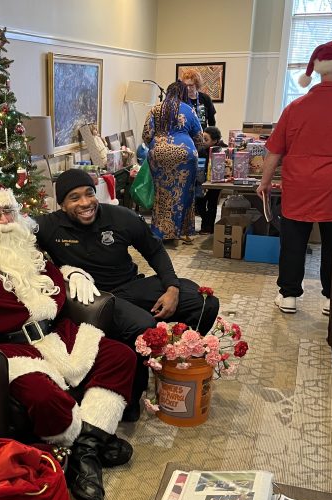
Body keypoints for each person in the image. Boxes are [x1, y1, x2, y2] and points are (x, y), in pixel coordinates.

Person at [0, 176, 136, 500]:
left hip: (54, 334)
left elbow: (52, 270)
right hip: (9, 348)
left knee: (121, 355)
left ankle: (84, 451)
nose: (3, 221)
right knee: (42, 395)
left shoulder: (26, 247)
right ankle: (87, 447)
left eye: (8, 211)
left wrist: (72, 272)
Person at [34, 168, 219, 420]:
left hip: (130, 285)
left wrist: (172, 288)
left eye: (89, 193)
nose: (85, 202)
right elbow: (10, 233)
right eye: (74, 198)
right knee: (144, 324)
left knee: (203, 301)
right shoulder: (49, 226)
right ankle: (131, 398)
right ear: (62, 204)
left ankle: (176, 363)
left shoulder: (120, 217)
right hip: (94, 299)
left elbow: (154, 250)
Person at [257, 37, 332, 316]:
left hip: (299, 187)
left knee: (293, 242)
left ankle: (288, 295)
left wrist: (264, 183)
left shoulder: (295, 108)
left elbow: (274, 151)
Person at [143, 81, 204, 244]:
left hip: (159, 154)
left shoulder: (155, 109)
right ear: (183, 94)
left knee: (161, 192)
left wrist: (159, 145)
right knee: (185, 193)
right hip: (185, 154)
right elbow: (199, 137)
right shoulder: (189, 110)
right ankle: (184, 232)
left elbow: (147, 135)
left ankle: (160, 231)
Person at [196, 126, 227, 234]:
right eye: (202, 138)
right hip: (201, 182)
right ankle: (205, 223)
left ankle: (209, 227)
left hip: (214, 183)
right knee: (199, 203)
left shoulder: (219, 152)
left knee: (212, 205)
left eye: (206, 139)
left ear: (215, 141)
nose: (203, 141)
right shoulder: (200, 150)